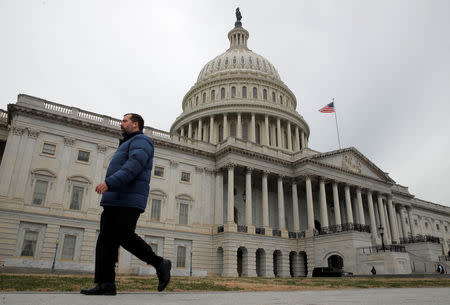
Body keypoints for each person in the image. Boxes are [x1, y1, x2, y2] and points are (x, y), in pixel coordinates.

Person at [81, 113, 171, 295]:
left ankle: (159, 263)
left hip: (128, 199)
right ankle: (106, 283)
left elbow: (134, 166)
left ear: (135, 124)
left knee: (121, 236)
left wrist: (110, 182)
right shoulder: (128, 143)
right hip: (116, 198)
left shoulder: (142, 141)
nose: (121, 124)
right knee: (107, 241)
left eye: (125, 120)